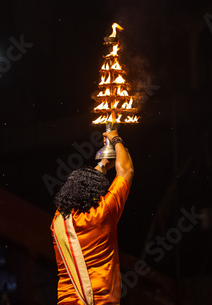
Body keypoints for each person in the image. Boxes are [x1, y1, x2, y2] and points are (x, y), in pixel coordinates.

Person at [50, 130, 134, 305]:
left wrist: (103, 164)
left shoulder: (59, 220)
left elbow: (82, 184)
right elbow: (126, 170)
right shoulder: (103, 213)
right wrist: (115, 138)